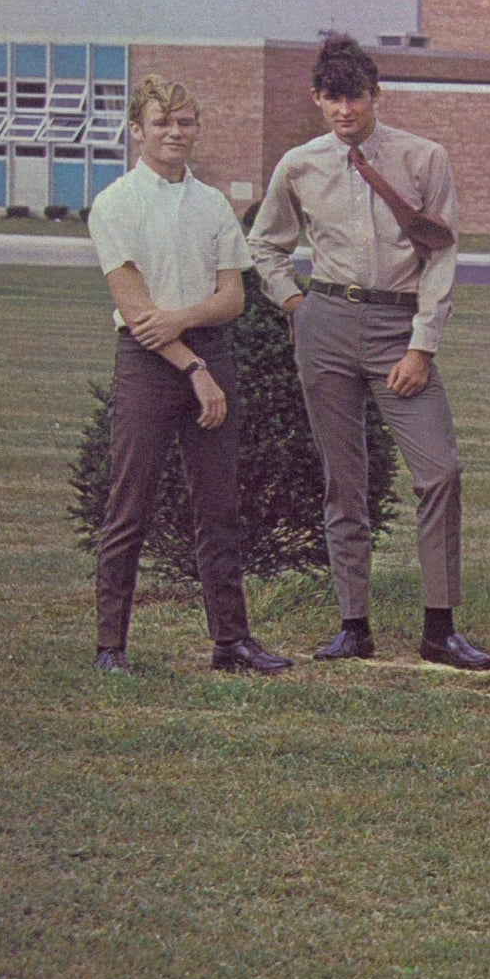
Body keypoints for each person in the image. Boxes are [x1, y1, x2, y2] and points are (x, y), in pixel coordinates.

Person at [249, 34, 490, 671]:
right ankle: (352, 625)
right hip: (325, 323)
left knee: (439, 470)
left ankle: (440, 628)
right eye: (332, 99)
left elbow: (441, 254)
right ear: (317, 99)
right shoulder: (299, 165)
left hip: (396, 328)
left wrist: (422, 344)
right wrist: (295, 305)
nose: (345, 111)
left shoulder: (421, 157)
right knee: (344, 482)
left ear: (375, 95)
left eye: (355, 97)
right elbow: (265, 244)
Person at [87, 74, 290, 677]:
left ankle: (232, 642)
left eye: (185, 122)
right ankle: (110, 647)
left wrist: (186, 326)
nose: (175, 133)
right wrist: (194, 366)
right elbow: (136, 313)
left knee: (218, 505)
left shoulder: (211, 204)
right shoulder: (115, 204)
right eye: (161, 123)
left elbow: (233, 298)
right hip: (150, 366)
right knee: (130, 504)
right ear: (136, 131)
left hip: (208, 353)